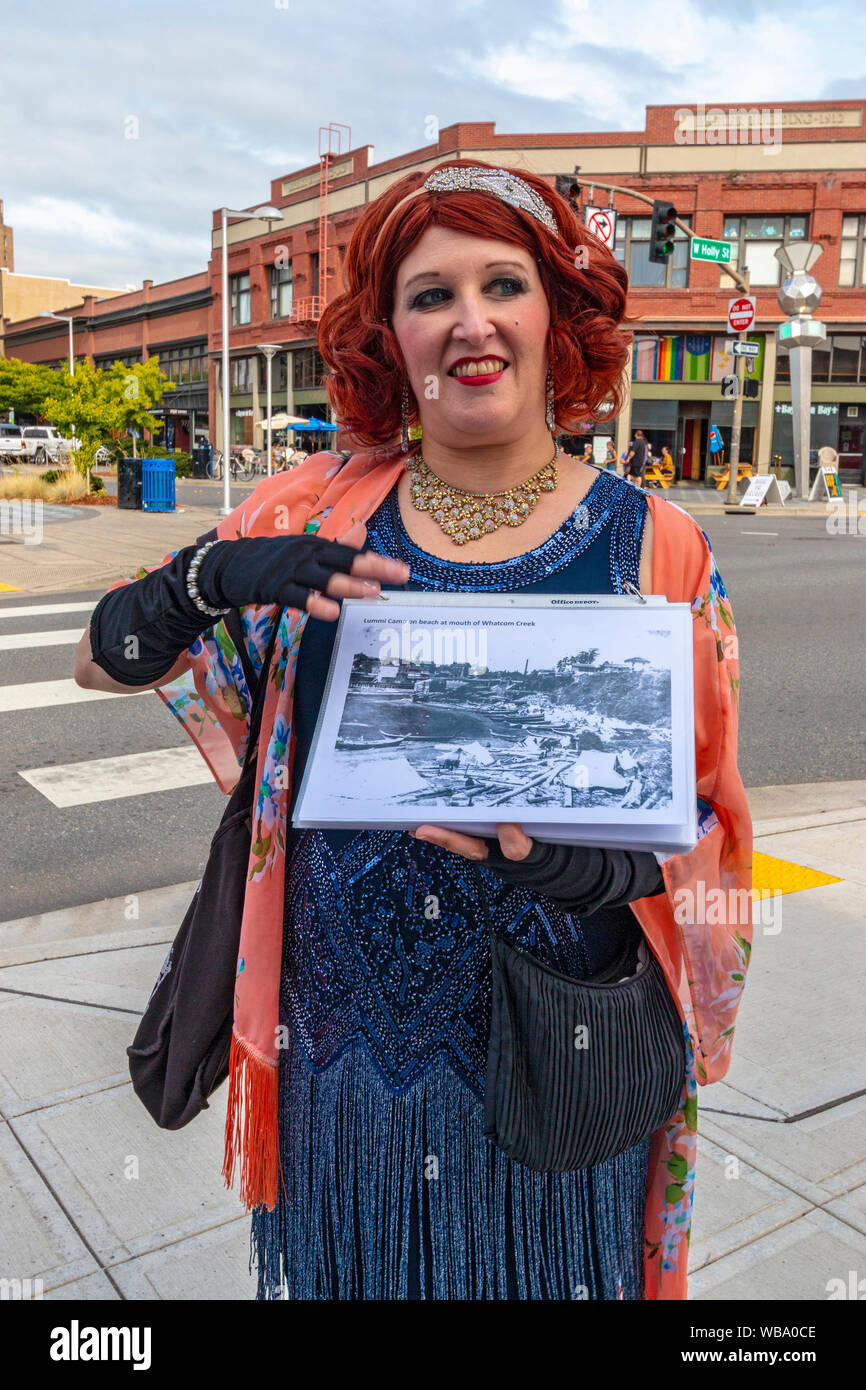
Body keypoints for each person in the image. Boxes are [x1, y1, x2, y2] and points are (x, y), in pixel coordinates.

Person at [74, 159, 752, 1302]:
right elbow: (102, 658)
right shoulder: (305, 509)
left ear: (558, 316)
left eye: (504, 284)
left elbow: (708, 824)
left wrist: (601, 868)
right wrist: (207, 572)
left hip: (556, 1057)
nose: (469, 322)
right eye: (429, 295)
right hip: (338, 1052)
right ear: (389, 336)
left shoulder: (657, 546)